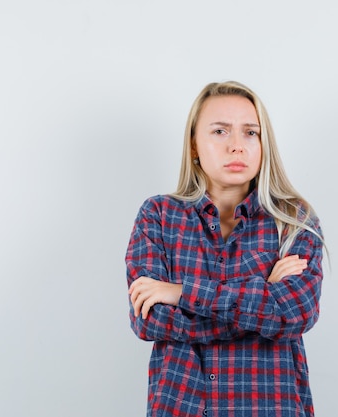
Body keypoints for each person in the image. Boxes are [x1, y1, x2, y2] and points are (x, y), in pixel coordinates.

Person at [126, 80, 325, 417]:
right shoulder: (158, 216)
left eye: (250, 132)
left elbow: (295, 313)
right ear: (194, 145)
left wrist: (180, 292)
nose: (237, 146)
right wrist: (264, 297)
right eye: (220, 131)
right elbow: (149, 321)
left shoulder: (294, 219)